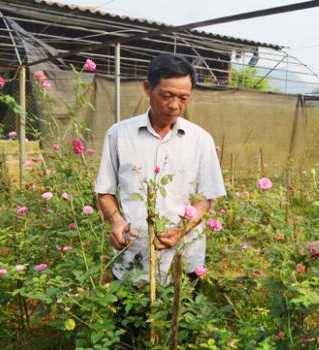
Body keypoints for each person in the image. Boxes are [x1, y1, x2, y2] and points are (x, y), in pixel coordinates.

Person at [95, 53, 226, 285]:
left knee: (181, 320)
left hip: (183, 259)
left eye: (183, 98)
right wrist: (116, 221)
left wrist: (180, 231)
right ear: (148, 88)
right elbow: (104, 191)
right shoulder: (119, 135)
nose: (175, 105)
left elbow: (207, 197)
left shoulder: (200, 140)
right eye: (166, 96)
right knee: (129, 320)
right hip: (133, 258)